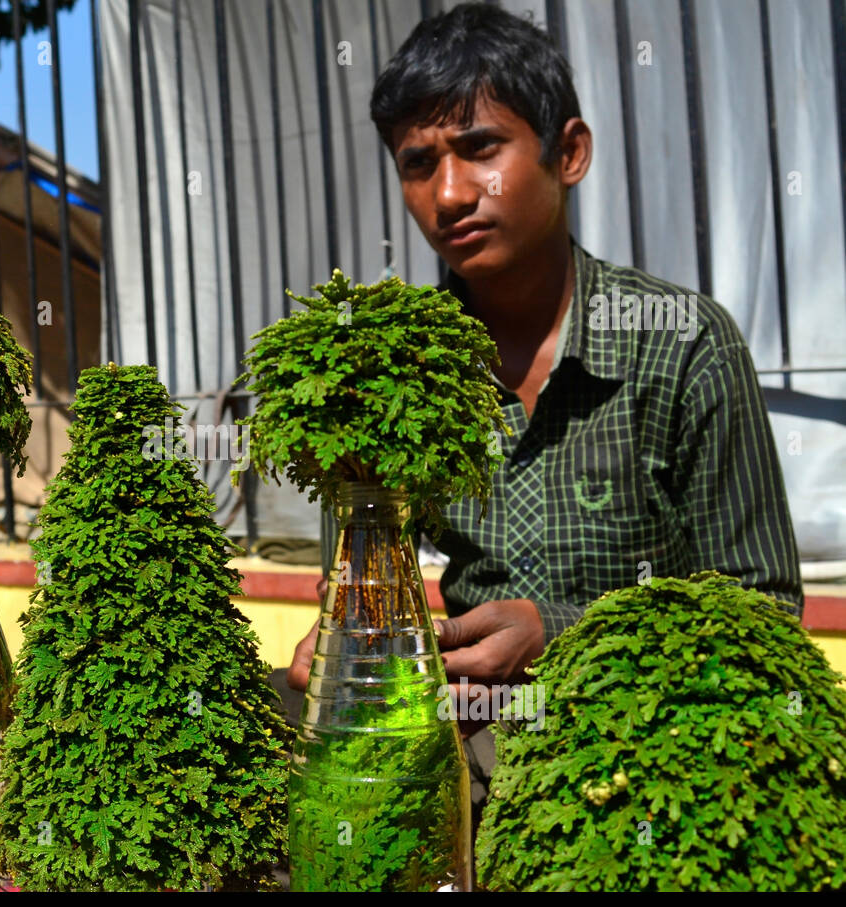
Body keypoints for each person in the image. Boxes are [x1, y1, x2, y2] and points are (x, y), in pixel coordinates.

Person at [287, 2, 803, 825]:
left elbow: (766, 615)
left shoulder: (682, 345)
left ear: (569, 152)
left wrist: (560, 632)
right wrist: (351, 642)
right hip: (463, 740)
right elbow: (356, 586)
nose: (449, 193)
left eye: (480, 149)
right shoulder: (386, 378)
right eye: (418, 163)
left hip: (650, 743)